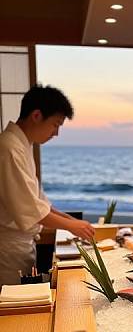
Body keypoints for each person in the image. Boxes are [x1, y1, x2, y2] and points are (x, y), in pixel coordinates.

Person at [0, 84, 95, 285]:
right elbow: (30, 209)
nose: (56, 133)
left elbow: (39, 201)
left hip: (20, 245)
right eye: (55, 124)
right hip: (7, 248)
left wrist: (70, 220)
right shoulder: (9, 148)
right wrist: (72, 225)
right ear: (36, 116)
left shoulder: (22, 145)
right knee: (14, 310)